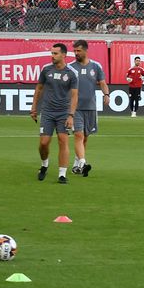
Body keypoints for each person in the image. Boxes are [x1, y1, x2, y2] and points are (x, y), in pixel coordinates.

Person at [30, 43, 79, 184]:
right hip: (47, 112)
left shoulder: (71, 73)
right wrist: (34, 108)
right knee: (44, 143)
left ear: (63, 55)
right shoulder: (46, 70)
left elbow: (74, 95)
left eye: (55, 53)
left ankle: (62, 174)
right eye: (51, 53)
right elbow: (39, 88)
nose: (52, 56)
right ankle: (44, 164)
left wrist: (71, 115)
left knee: (63, 141)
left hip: (63, 113)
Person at [71, 40, 109, 177]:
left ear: (86, 51)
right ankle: (83, 163)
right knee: (78, 135)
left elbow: (102, 82)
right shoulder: (70, 68)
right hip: (75, 108)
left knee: (85, 137)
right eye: (74, 51)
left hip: (91, 107)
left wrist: (106, 94)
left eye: (78, 51)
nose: (76, 53)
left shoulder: (96, 66)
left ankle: (77, 164)